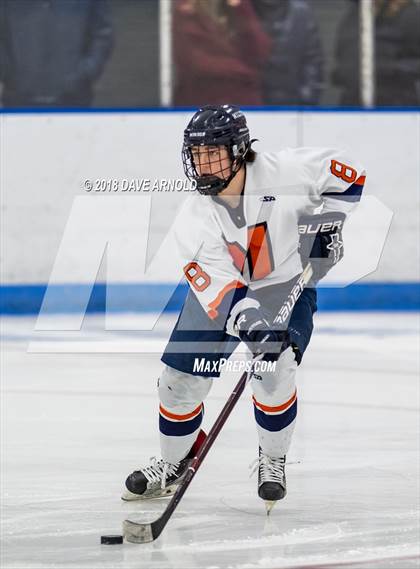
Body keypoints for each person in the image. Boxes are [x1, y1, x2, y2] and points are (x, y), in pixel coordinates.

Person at [123, 105, 366, 510]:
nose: (203, 165)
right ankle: (172, 463)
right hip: (228, 298)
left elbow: (349, 173)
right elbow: (220, 294)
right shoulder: (195, 216)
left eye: (212, 153)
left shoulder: (288, 171)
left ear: (238, 150)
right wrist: (251, 323)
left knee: (275, 370)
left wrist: (331, 221)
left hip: (285, 283)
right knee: (180, 382)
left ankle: (272, 458)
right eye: (196, 155)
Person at [0, 0, 114, 108]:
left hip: (73, 99)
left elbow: (102, 34)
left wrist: (85, 73)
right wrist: (9, 74)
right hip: (18, 99)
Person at [173, 0, 271, 106]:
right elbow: (195, 63)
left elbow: (260, 52)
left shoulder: (239, 9)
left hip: (244, 104)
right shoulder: (187, 12)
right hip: (201, 105)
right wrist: (244, 71)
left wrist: (241, 8)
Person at [332, 0, 420, 106]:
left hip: (395, 106)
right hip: (353, 104)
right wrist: (342, 72)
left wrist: (389, 68)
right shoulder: (354, 14)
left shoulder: (408, 13)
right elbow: (342, 52)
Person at [252, 0, 324, 106]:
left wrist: (307, 101)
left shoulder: (301, 13)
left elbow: (313, 62)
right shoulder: (242, 9)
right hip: (252, 103)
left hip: (293, 105)